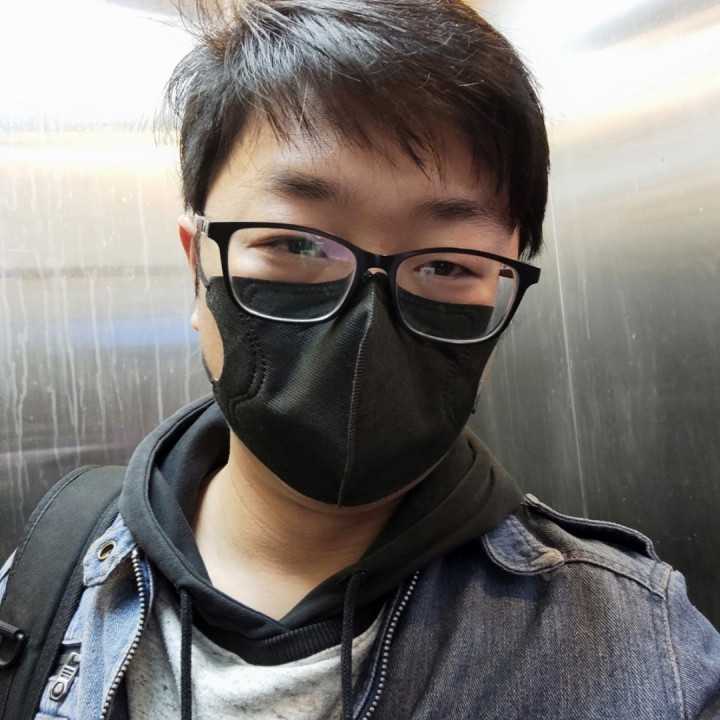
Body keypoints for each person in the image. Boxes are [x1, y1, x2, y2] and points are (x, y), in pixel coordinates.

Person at [1, 0, 719, 718]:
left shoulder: (643, 650)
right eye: (297, 244)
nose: (366, 325)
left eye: (445, 265)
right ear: (199, 270)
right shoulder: (42, 588)